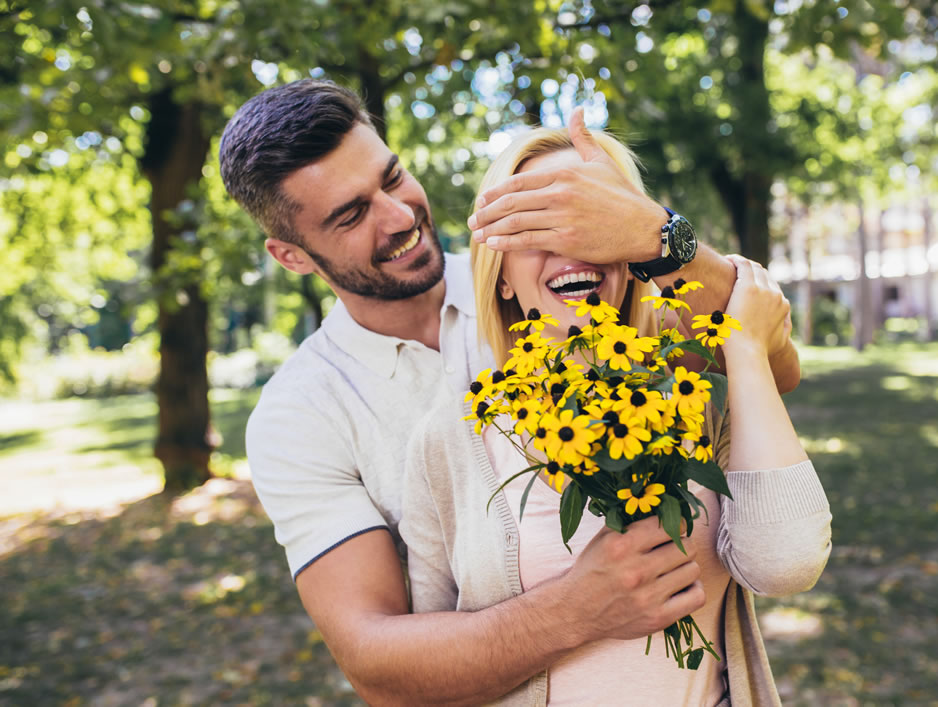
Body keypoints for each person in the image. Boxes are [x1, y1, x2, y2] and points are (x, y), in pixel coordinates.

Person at [219, 78, 802, 704]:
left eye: (392, 178)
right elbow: (375, 663)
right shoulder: (298, 416)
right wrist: (577, 609)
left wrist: (661, 235)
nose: (398, 216)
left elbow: (765, 365)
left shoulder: (546, 274)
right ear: (292, 256)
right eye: (351, 214)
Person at [400, 127, 832, 705]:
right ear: (499, 271)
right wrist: (573, 610)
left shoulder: (691, 390)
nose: (572, 243)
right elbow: (428, 673)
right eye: (539, 220)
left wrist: (743, 347)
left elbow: (788, 563)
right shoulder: (449, 439)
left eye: (594, 217)